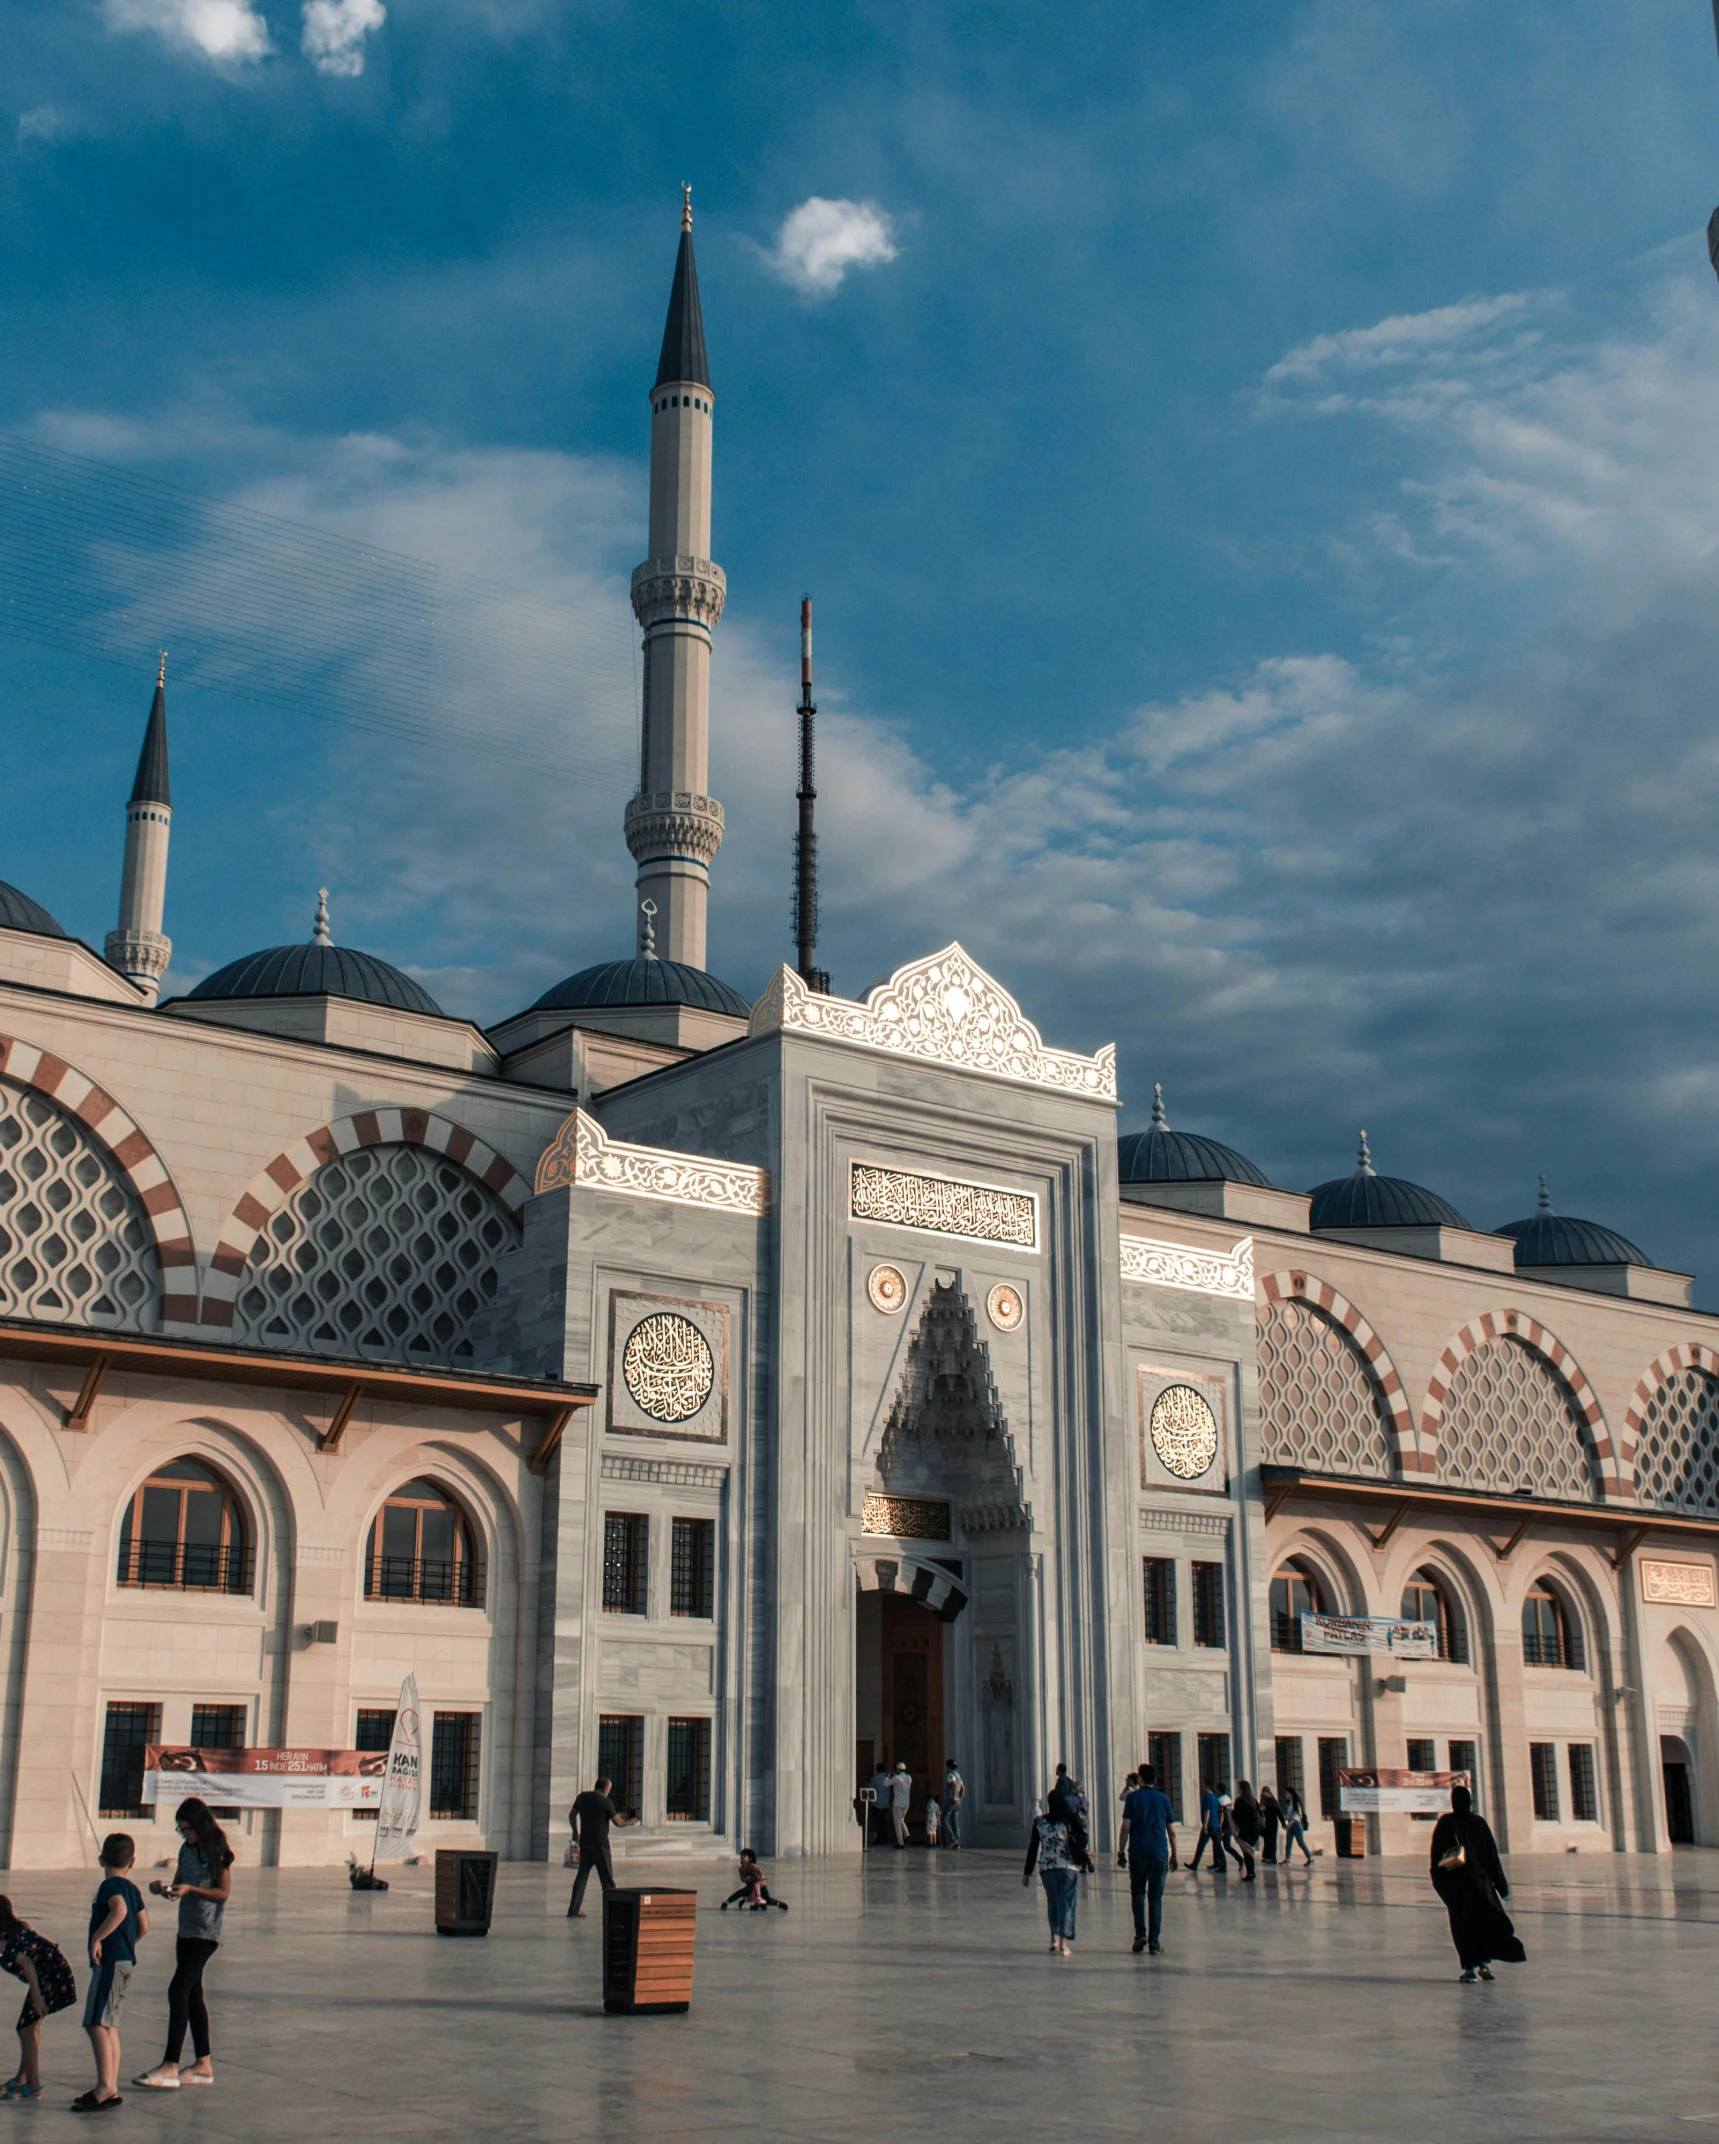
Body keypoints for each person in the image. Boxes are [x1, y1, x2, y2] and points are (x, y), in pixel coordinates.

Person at [134, 1798, 233, 2090]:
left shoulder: (216, 1849)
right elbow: (178, 1888)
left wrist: (192, 1889)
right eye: (181, 1830)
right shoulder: (186, 1850)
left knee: (177, 1989)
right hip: (186, 1929)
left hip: (206, 1932)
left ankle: (170, 2065)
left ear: (200, 1824)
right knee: (192, 1994)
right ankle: (203, 2064)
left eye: (188, 1829)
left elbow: (223, 1892)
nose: (185, 1834)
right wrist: (163, 1889)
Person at [75, 1832, 147, 2113]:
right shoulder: (133, 1887)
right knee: (110, 2025)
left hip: (110, 1964)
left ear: (101, 1858)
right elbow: (144, 1925)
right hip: (125, 1961)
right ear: (133, 1861)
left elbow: (119, 1910)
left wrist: (98, 1939)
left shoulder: (110, 1886)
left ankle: (105, 2086)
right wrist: (128, 1944)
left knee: (95, 2023)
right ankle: (110, 2085)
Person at [1428, 1785, 1525, 1984]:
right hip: (1481, 1887)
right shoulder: (1479, 1823)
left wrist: (1440, 1885)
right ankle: (1483, 1964)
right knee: (1483, 1926)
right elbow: (1492, 1858)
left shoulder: (1446, 1823)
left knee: (1463, 1928)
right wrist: (1501, 1887)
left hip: (1458, 1888)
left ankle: (1469, 1968)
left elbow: (1437, 1857)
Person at [0, 1897, 76, 2101]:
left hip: (51, 1979)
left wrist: (37, 1996)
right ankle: (20, 2079)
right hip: (54, 1974)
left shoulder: (5, 1939)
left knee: (25, 2029)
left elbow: (27, 1964)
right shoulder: (13, 1931)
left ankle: (33, 2086)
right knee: (30, 2028)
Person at [1120, 1762, 1177, 1955]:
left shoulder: (1133, 1798)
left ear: (1141, 1778)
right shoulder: (1163, 1798)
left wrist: (1120, 1850)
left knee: (1137, 1894)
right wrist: (1175, 1854)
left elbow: (1126, 1826)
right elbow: (1171, 1830)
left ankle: (1140, 1935)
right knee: (1155, 1898)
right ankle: (1154, 1941)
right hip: (1159, 1853)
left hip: (1137, 1852)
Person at [567, 1775, 638, 1917]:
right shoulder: (606, 1802)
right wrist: (632, 1821)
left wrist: (575, 1831)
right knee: (607, 1880)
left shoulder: (582, 1797)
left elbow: (572, 1814)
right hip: (601, 1845)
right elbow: (618, 1823)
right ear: (605, 1789)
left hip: (585, 1843)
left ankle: (574, 1909)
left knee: (581, 1877)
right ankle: (614, 1911)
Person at [1022, 1791, 1079, 1954]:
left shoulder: (1039, 1822)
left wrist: (1027, 1872)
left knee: (1052, 1902)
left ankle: (1053, 1938)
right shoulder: (1068, 1819)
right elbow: (1083, 1838)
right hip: (1067, 1867)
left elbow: (1033, 1848)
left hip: (1047, 1869)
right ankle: (1064, 1941)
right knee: (1066, 1904)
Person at [719, 1849, 787, 1912]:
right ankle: (726, 1902)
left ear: (750, 1859)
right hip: (750, 1885)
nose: (742, 1857)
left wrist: (753, 1877)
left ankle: (779, 1904)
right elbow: (742, 1879)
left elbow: (759, 1875)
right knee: (740, 1892)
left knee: (767, 1899)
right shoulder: (741, 1869)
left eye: (744, 1855)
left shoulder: (753, 1866)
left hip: (760, 1886)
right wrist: (748, 1879)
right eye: (741, 1855)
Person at [1187, 1778, 1225, 1874]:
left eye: (1203, 1785)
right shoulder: (1216, 1798)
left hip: (1209, 1826)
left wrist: (1205, 1825)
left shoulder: (1207, 1797)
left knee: (1201, 1846)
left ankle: (1195, 1864)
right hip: (1216, 1825)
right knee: (1218, 1847)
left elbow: (1207, 1811)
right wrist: (1219, 1825)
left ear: (1207, 1786)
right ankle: (1223, 1865)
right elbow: (1220, 1813)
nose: (1201, 1787)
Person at [1230, 1781, 1261, 1882]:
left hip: (1245, 1830)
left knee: (1246, 1852)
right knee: (1248, 1851)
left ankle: (1250, 1872)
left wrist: (1231, 1813)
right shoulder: (1253, 1800)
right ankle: (1251, 1871)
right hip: (1255, 1830)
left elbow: (1237, 1816)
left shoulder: (1240, 1801)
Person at [1280, 1785, 1315, 1866]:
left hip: (1296, 1824)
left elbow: (1296, 1815)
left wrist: (1289, 1823)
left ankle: (1310, 1858)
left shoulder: (1296, 1803)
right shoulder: (1289, 1803)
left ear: (1291, 1794)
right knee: (1288, 1842)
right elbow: (1289, 1815)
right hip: (1290, 1824)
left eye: (1287, 1793)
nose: (1286, 1795)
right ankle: (1287, 1859)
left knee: (1300, 1842)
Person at [1115, 1769, 1139, 1869]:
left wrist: (1126, 1786)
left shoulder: (1130, 1793)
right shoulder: (1139, 1791)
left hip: (1131, 1820)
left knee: (1124, 1833)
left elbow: (1121, 1797)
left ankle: (1121, 1854)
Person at [888, 1762, 913, 1848]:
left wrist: (888, 1777)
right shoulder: (909, 1777)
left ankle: (900, 1842)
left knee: (897, 1823)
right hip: (906, 1803)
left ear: (897, 1769)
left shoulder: (896, 1778)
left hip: (898, 1803)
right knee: (901, 1820)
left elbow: (886, 1784)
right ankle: (907, 1834)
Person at [942, 1761, 965, 1851]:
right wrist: (959, 1798)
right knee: (955, 1822)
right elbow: (963, 1788)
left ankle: (953, 1839)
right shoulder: (958, 1775)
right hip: (957, 1802)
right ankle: (957, 1843)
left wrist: (953, 1797)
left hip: (951, 1801)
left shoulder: (950, 1774)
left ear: (948, 1767)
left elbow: (954, 1785)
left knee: (943, 1819)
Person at [867, 1764, 891, 1847]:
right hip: (886, 1804)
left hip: (878, 1804)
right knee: (883, 1821)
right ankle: (885, 1838)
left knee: (878, 1822)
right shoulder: (887, 1778)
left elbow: (869, 1787)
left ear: (877, 1769)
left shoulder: (876, 1778)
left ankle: (880, 1839)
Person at [1259, 1784, 1282, 1864]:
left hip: (1273, 1823)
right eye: (1264, 1792)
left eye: (1266, 1792)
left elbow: (1278, 1812)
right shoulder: (1263, 1800)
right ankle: (1266, 1856)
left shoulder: (1273, 1801)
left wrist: (1283, 1822)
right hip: (1266, 1823)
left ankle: (1272, 1858)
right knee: (1266, 1840)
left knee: (1272, 1840)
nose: (1265, 1794)